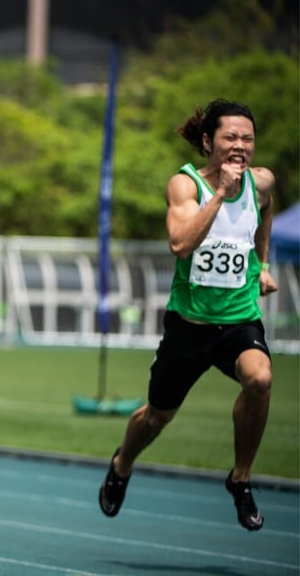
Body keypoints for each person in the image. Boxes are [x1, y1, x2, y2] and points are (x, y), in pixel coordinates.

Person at [99, 99, 277, 531]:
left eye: (247, 139)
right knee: (157, 416)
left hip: (238, 319)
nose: (240, 146)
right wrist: (219, 195)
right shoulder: (187, 186)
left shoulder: (263, 182)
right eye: (230, 137)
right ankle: (123, 462)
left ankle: (240, 478)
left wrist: (264, 263)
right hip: (189, 327)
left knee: (261, 378)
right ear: (207, 141)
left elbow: (265, 210)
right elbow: (180, 244)